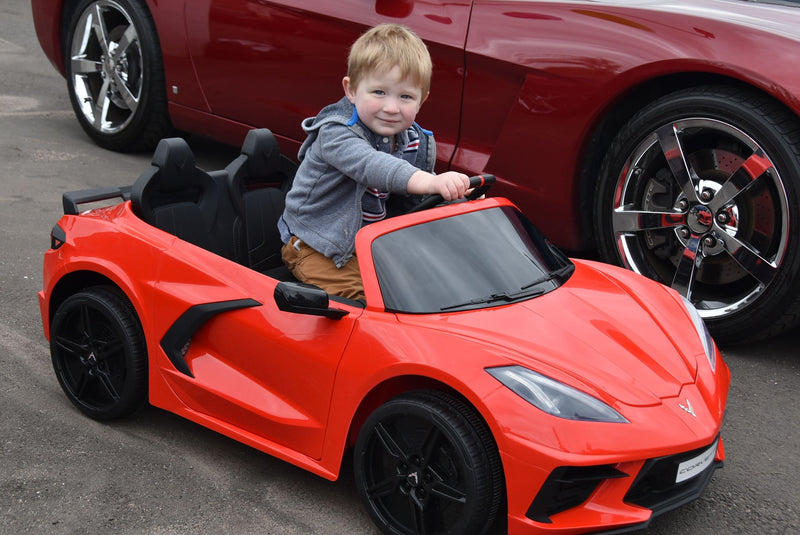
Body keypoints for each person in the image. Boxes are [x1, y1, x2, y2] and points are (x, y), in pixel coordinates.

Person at [278, 23, 470, 301]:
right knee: (368, 305)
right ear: (352, 90)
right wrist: (430, 181)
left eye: (405, 96)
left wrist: (453, 194)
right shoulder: (336, 133)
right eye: (379, 92)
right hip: (316, 246)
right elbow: (374, 166)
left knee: (428, 286)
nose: (391, 107)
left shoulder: (411, 138)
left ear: (422, 100)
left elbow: (416, 196)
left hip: (370, 244)